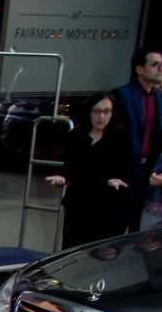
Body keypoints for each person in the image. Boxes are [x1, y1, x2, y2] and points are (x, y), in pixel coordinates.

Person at [45, 93, 132, 248]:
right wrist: (62, 178)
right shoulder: (77, 136)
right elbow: (70, 167)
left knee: (98, 249)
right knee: (72, 247)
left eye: (106, 111)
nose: (101, 116)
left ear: (113, 113)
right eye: (96, 111)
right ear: (89, 111)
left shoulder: (120, 138)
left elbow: (127, 170)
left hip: (105, 205)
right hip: (78, 203)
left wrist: (119, 179)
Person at [109, 46, 162, 230]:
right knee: (115, 225)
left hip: (148, 171)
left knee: (137, 227)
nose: (160, 68)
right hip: (124, 169)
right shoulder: (122, 95)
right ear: (139, 69)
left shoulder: (161, 98)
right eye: (155, 64)